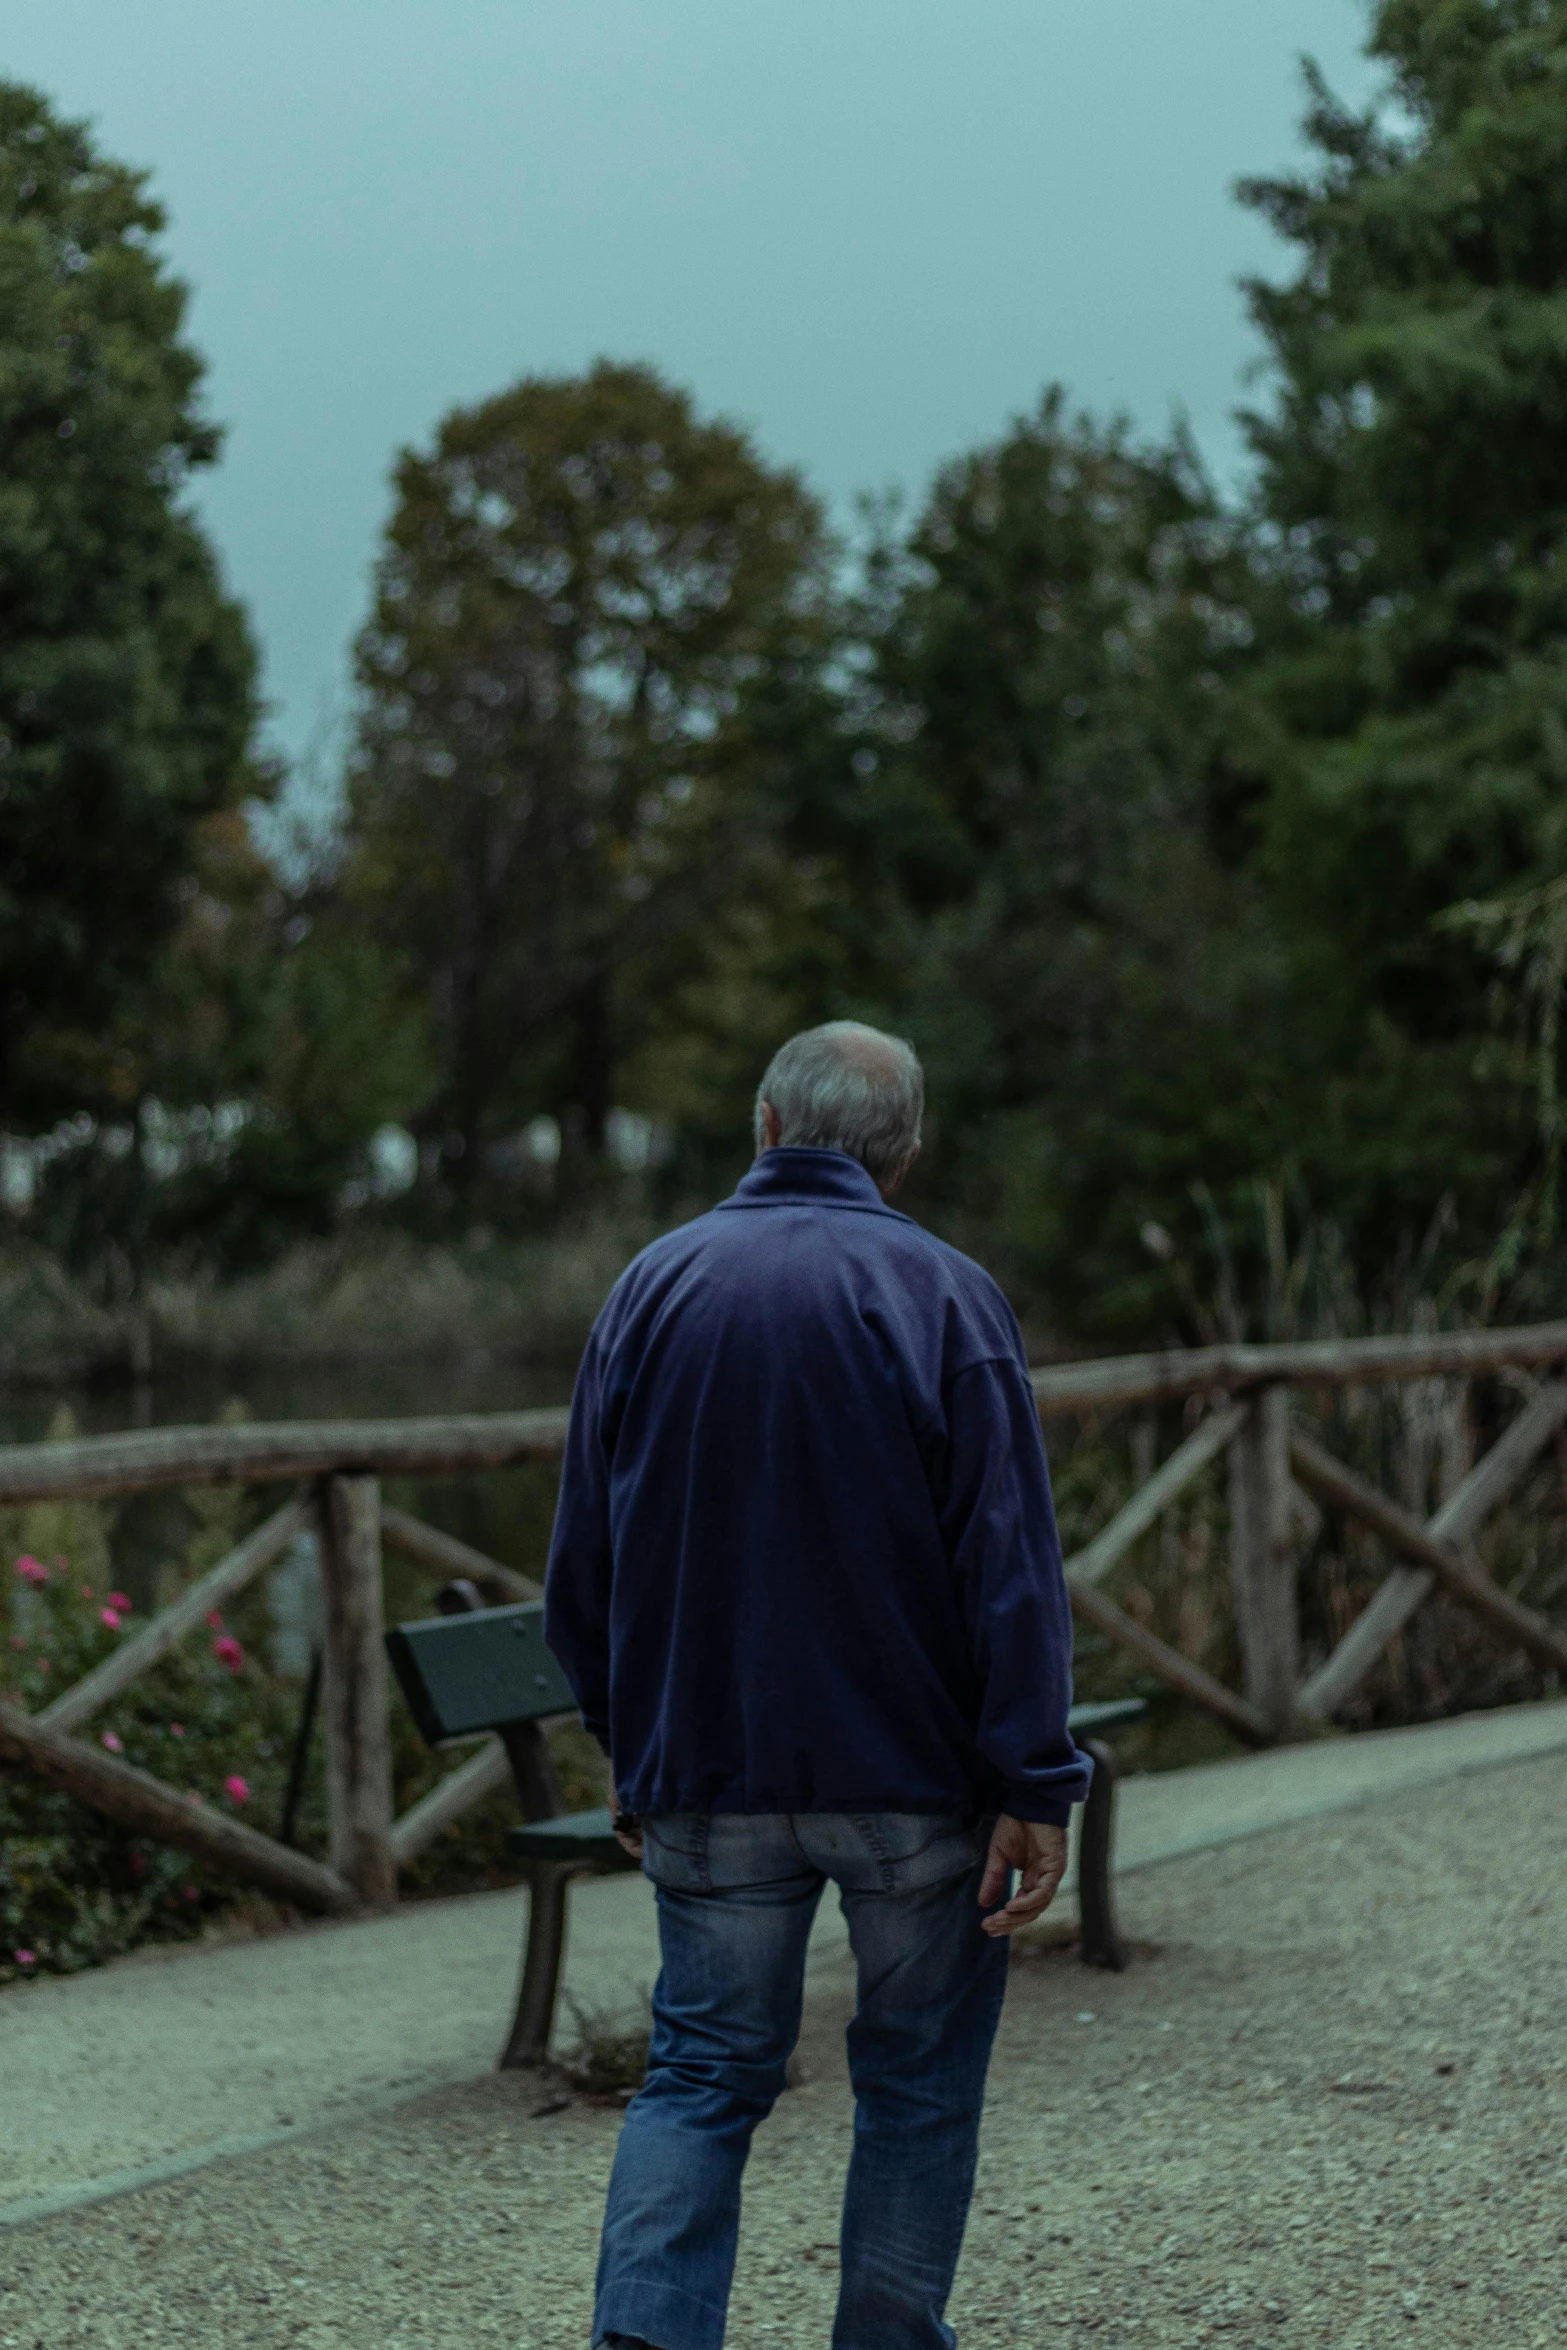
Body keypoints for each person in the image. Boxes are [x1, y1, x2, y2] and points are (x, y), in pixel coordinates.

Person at [545, 1020, 1091, 2350]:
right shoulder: (947, 1295)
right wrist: (1033, 1775)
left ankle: (646, 2337)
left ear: (762, 1123)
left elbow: (581, 1565)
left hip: (709, 1774)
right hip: (914, 1779)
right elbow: (1007, 1565)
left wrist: (636, 1748)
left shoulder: (649, 1289)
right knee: (913, 2081)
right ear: (904, 1152)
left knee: (699, 2076)